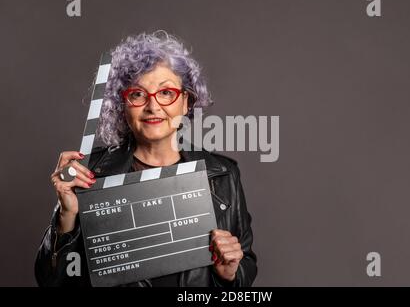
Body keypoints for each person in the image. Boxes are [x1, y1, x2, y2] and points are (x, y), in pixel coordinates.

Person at [35, 31, 257, 287]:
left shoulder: (223, 174)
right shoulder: (88, 173)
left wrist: (230, 273)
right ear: (122, 106)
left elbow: (246, 265)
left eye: (166, 93)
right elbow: (50, 282)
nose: (153, 107)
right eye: (138, 94)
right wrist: (67, 215)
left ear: (186, 102)